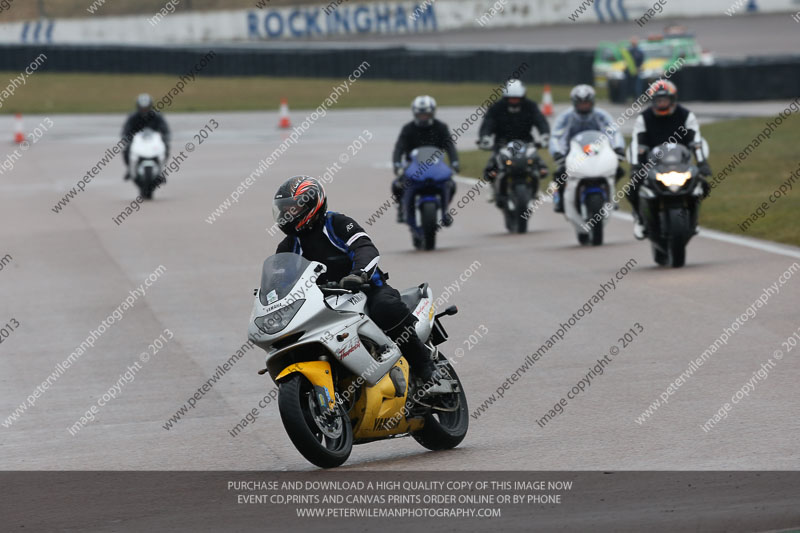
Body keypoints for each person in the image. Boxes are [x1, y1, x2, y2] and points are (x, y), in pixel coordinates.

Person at [272, 176, 439, 382]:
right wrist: (272, 295)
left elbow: (365, 248)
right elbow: (280, 277)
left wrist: (358, 274)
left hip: (366, 290)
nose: (286, 214)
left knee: (385, 308)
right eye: (284, 209)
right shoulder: (288, 246)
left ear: (311, 204)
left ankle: (426, 368)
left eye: (292, 208)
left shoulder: (337, 224)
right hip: (323, 303)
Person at [627, 80, 711, 239]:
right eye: (658, 101)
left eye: (664, 100)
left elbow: (696, 140)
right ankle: (640, 220)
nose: (661, 104)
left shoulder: (686, 115)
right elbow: (638, 142)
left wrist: (702, 163)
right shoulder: (644, 118)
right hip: (653, 165)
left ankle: (694, 218)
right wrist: (636, 166)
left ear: (673, 99)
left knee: (703, 186)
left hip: (681, 163)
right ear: (652, 101)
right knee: (632, 189)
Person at [549, 84, 626, 213]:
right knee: (560, 174)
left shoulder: (601, 116)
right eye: (581, 103)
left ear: (592, 102)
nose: (584, 106)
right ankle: (561, 200)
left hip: (598, 153)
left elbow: (614, 133)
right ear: (574, 103)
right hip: (572, 154)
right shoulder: (566, 117)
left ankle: (611, 194)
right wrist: (558, 153)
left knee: (618, 170)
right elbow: (557, 136)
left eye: (587, 103)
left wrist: (618, 148)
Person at [477, 79, 550, 205]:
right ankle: (493, 189)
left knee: (539, 164)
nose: (514, 101)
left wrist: (544, 135)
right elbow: (487, 124)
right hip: (502, 143)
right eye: (511, 98)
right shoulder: (496, 108)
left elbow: (540, 121)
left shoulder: (530, 106)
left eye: (517, 98)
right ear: (506, 98)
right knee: (492, 166)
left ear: (522, 97)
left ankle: (536, 188)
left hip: (526, 142)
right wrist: (485, 138)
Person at [392, 95, 459, 223]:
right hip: (412, 165)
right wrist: (397, 165)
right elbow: (399, 148)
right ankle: (402, 209)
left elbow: (450, 147)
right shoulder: (408, 129)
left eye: (426, 114)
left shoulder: (441, 127)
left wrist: (455, 162)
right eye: (420, 114)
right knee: (397, 185)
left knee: (450, 184)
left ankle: (445, 210)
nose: (423, 117)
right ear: (415, 113)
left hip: (436, 165)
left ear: (432, 113)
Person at [121, 93, 170, 181]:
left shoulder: (157, 116)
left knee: (166, 147)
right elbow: (126, 129)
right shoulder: (133, 117)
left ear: (150, 106)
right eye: (142, 108)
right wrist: (126, 137)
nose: (144, 110)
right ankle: (129, 169)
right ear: (138, 107)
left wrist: (165, 137)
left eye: (146, 108)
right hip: (137, 140)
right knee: (126, 150)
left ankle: (161, 170)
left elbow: (164, 128)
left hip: (153, 140)